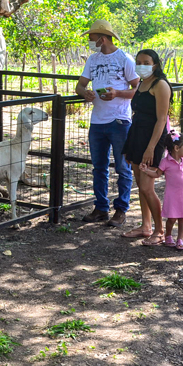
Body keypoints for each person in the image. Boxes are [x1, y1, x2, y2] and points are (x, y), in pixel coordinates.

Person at [75, 20, 139, 227]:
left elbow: (138, 88)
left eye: (92, 37)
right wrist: (85, 93)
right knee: (99, 167)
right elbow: (80, 85)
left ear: (102, 39)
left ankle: (121, 210)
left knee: (123, 167)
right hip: (97, 121)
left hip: (119, 120)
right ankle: (101, 208)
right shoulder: (92, 60)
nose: (90, 41)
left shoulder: (124, 59)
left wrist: (118, 93)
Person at [122, 49, 172, 246]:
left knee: (146, 186)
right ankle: (145, 226)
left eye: (146, 62)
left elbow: (161, 120)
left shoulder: (161, 85)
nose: (141, 65)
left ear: (156, 64)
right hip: (136, 135)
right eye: (138, 62)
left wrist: (151, 148)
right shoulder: (142, 83)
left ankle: (159, 231)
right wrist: (129, 145)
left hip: (153, 138)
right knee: (140, 186)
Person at [140, 132, 183, 251]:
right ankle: (168, 235)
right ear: (176, 148)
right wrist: (146, 171)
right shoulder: (165, 162)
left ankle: (180, 239)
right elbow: (157, 174)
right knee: (171, 218)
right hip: (172, 196)